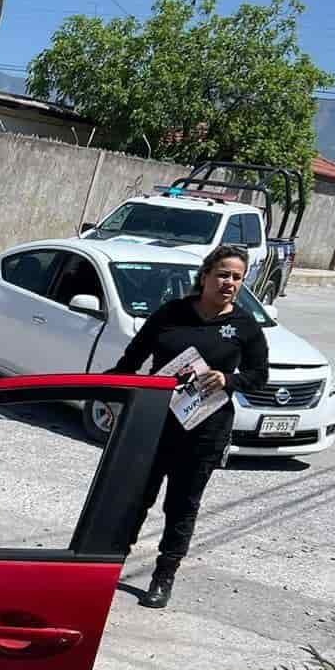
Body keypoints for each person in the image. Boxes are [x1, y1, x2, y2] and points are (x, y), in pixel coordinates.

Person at [109, 244, 268, 609]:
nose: (229, 283)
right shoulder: (171, 314)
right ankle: (110, 565)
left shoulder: (244, 326)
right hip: (155, 423)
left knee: (181, 506)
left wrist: (229, 380)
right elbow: (131, 361)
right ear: (206, 276)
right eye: (223, 274)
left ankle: (163, 576)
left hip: (204, 430)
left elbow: (260, 376)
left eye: (237, 277)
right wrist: (101, 389)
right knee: (136, 499)